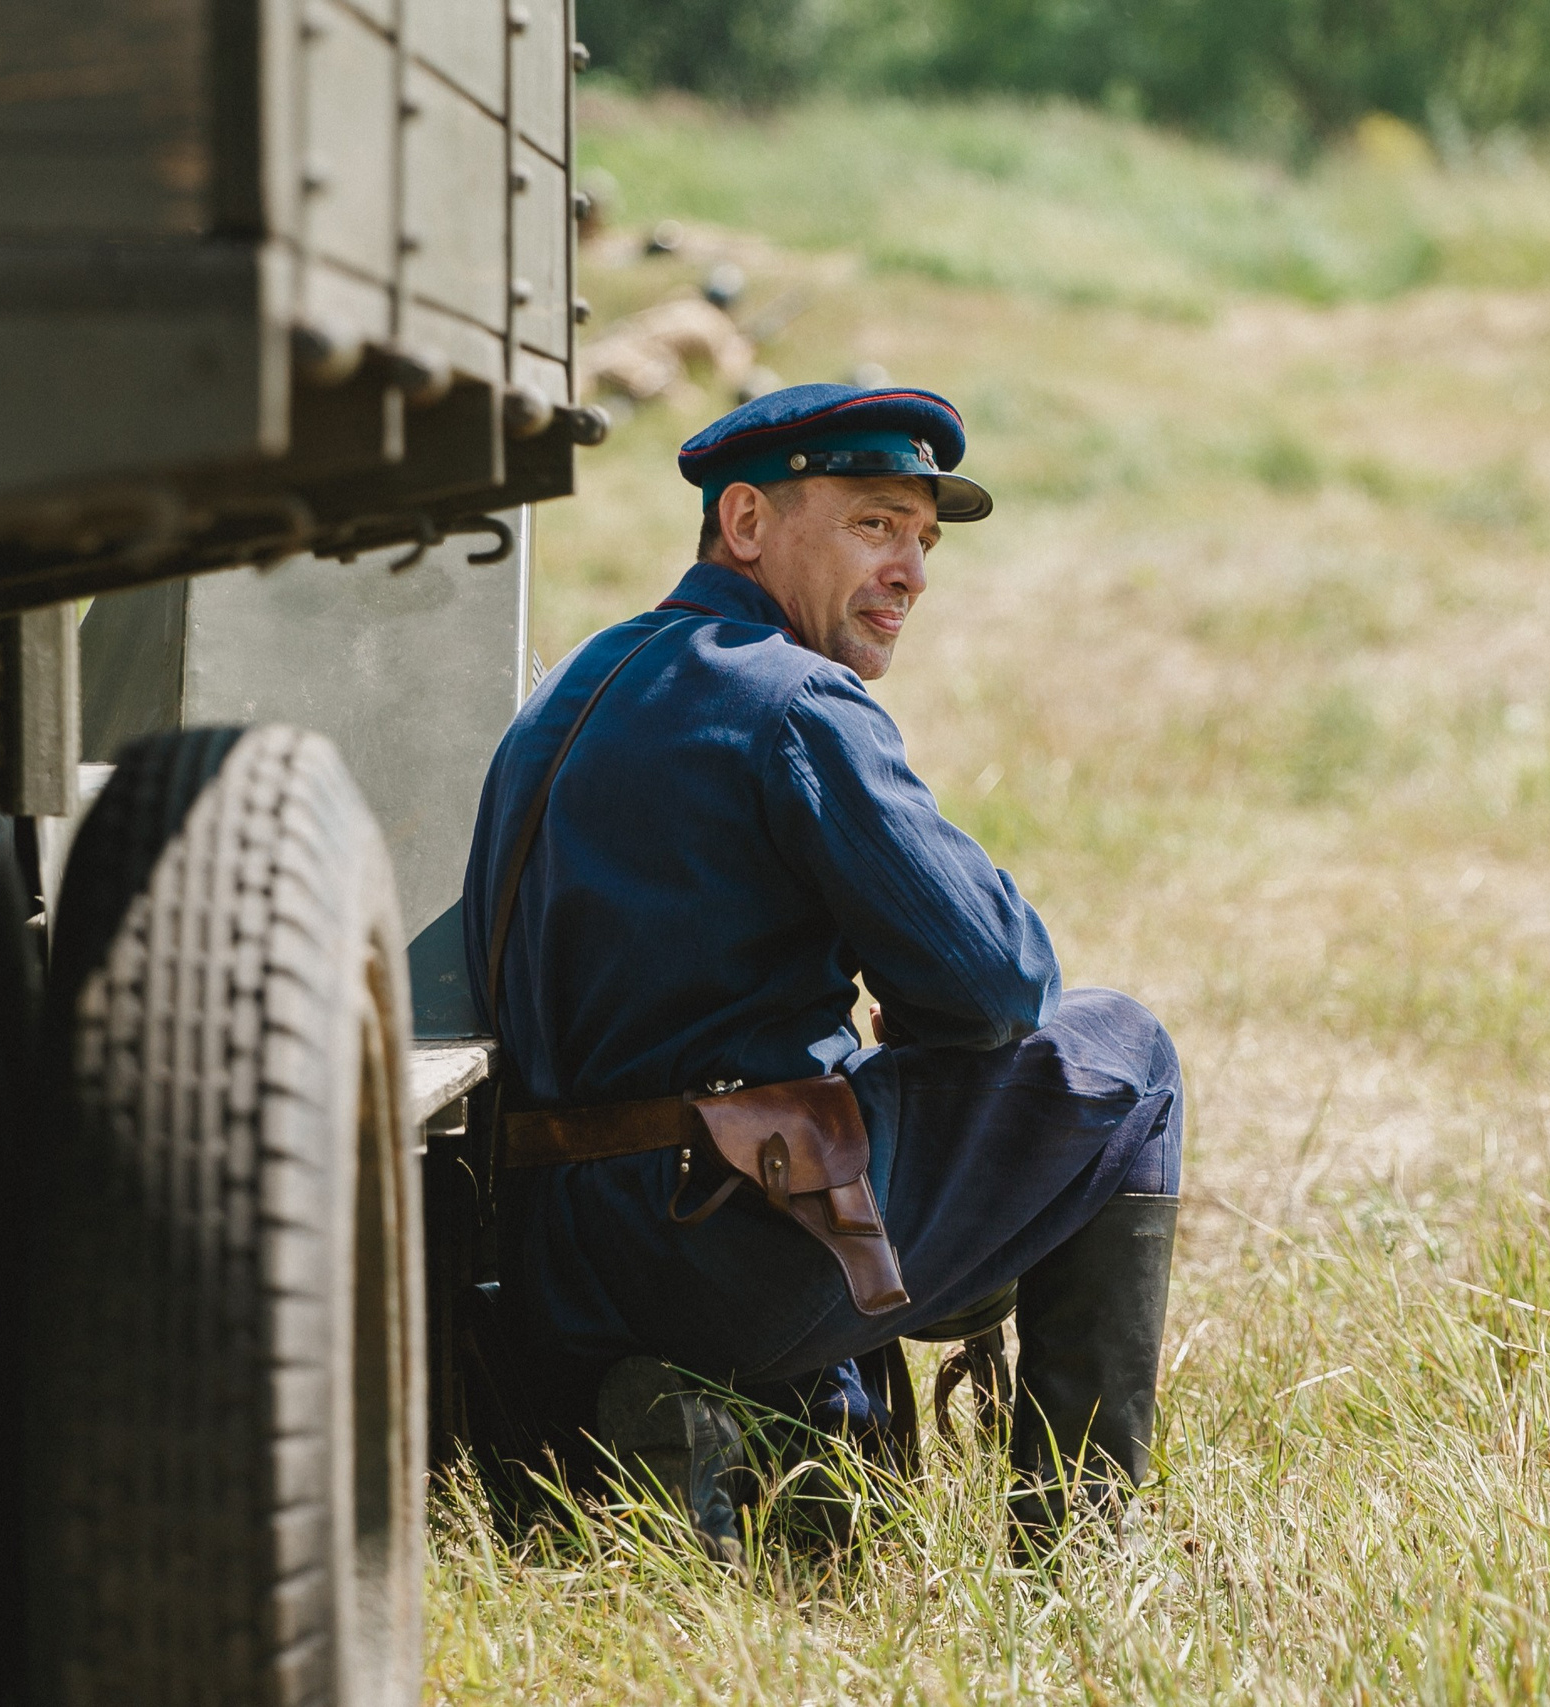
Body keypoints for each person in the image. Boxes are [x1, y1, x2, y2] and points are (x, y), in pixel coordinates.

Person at [461, 382, 1182, 1549]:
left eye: (922, 539)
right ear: (745, 524)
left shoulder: (566, 690)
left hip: (547, 1263)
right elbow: (996, 983)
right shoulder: (795, 699)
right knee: (1129, 1053)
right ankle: (1084, 1543)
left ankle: (715, 1438)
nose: (911, 571)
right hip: (719, 1246)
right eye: (873, 524)